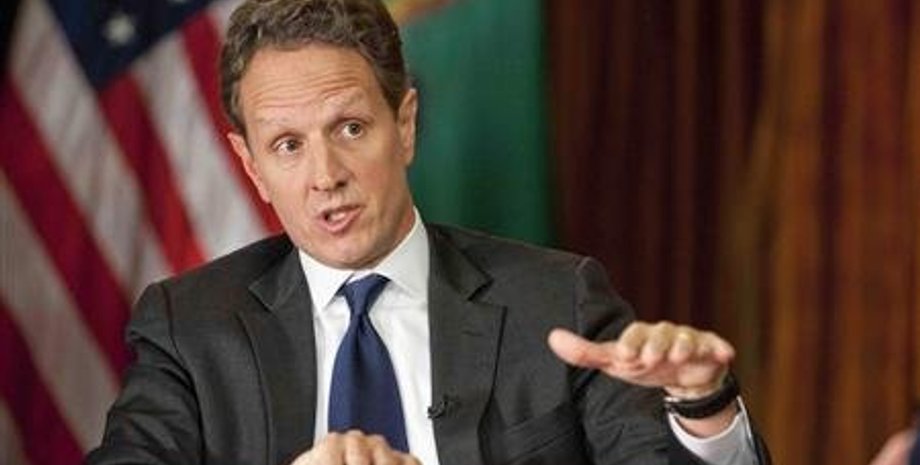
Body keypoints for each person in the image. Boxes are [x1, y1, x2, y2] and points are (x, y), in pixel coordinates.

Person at [86, 1, 770, 464]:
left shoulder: (556, 300)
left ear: (405, 124)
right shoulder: (191, 328)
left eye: (350, 128)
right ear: (251, 166)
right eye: (288, 145)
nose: (326, 175)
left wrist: (703, 407)